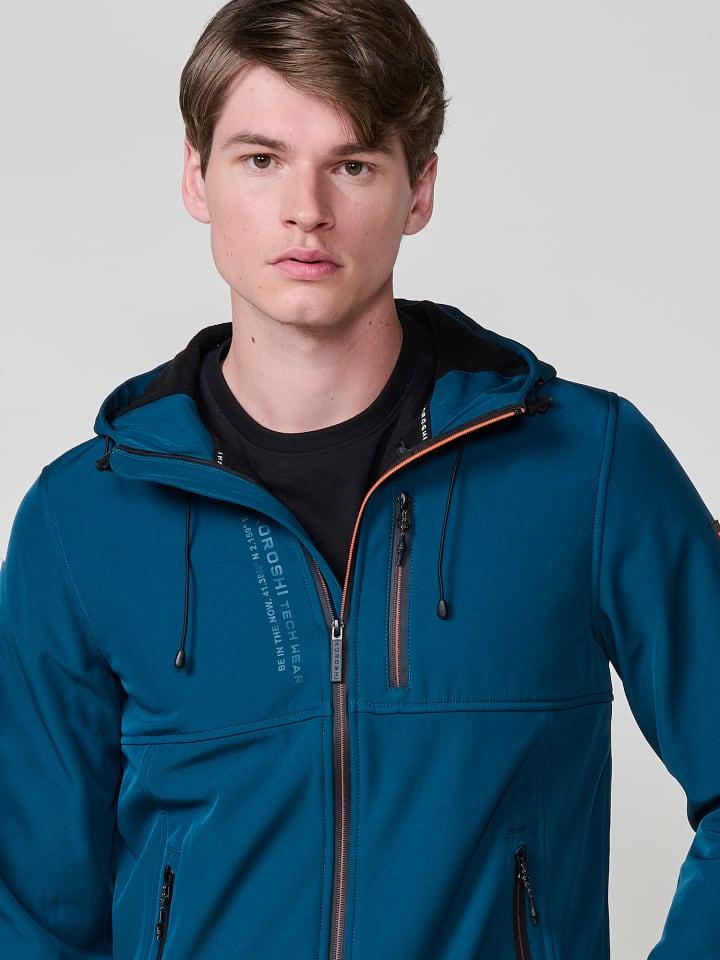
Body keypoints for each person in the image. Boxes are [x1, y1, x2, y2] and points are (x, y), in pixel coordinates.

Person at [1, 1, 719, 957]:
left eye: (352, 165)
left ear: (419, 190)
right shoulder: (81, 517)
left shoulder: (589, 466)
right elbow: (35, 910)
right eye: (262, 159)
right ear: (196, 177)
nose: (307, 209)